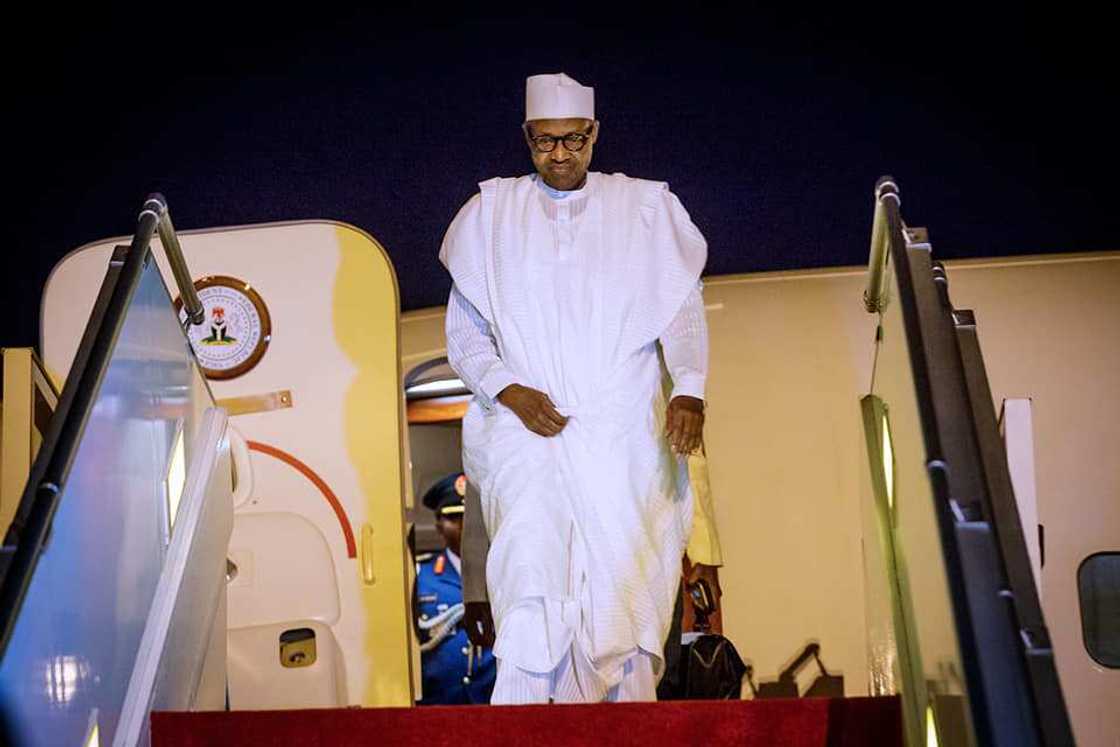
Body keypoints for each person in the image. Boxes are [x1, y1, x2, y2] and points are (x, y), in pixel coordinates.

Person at [441, 72, 709, 704]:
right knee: (531, 578)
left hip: (623, 439)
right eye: (544, 143)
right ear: (526, 138)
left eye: (572, 141)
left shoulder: (644, 208)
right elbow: (466, 336)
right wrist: (511, 391)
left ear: (595, 134)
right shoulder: (490, 214)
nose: (559, 156)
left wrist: (689, 389)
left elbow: (682, 312)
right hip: (529, 438)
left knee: (625, 581)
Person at [414, 473, 496, 705]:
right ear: (439, 525)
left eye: (470, 519)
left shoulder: (500, 574)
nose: (464, 527)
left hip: (494, 702)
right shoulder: (420, 576)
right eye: (455, 518)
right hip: (439, 704)